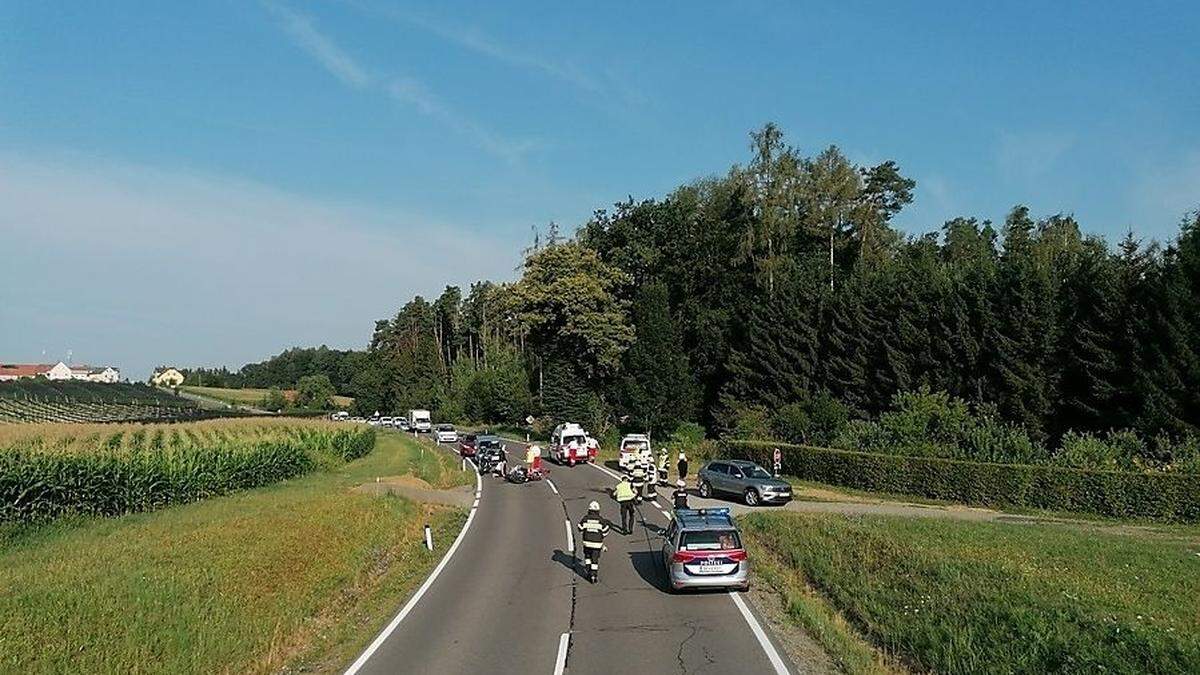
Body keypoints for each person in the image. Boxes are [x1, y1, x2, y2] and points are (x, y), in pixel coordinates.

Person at [577, 501, 610, 583]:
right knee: (595, 560)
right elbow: (606, 531)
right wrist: (600, 536)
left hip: (587, 542)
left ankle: (588, 570)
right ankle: (593, 575)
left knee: (588, 557)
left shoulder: (585, 519)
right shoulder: (601, 520)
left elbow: (579, 528)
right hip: (597, 544)